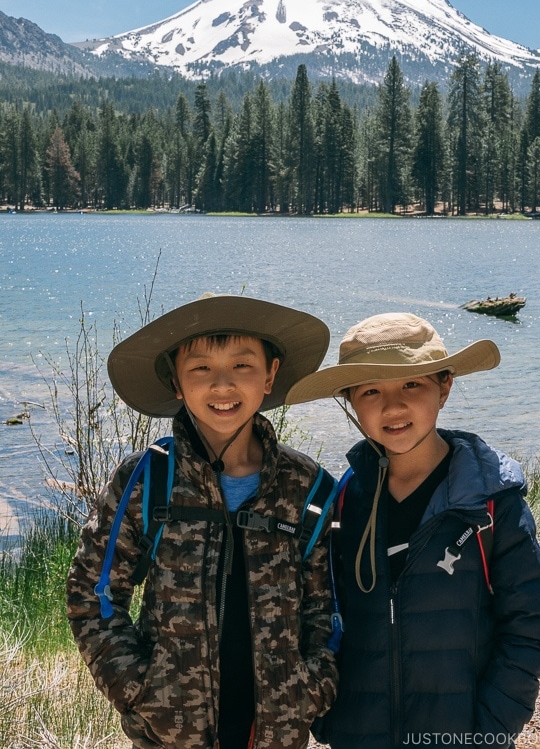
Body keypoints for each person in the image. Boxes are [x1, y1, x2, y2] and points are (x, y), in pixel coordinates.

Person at [67, 293, 338, 749]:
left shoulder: (308, 487)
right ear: (176, 381)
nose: (222, 386)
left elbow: (326, 608)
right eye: (201, 369)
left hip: (276, 733)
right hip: (170, 733)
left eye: (242, 366)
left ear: (270, 375)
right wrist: (136, 690)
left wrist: (310, 691)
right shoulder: (147, 478)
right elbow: (93, 594)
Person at [286, 312, 540, 749]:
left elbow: (530, 627)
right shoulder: (343, 503)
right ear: (350, 401)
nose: (392, 407)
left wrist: (486, 733)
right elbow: (318, 617)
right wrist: (331, 720)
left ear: (445, 386)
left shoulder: (488, 503)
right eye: (371, 390)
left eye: (411, 384)